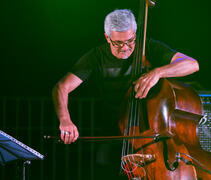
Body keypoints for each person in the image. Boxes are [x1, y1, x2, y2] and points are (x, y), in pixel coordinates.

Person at [52, 9, 198, 170]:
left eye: (130, 41)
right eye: (118, 43)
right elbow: (61, 87)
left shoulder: (147, 47)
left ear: (135, 34)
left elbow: (192, 64)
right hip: (112, 132)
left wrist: (158, 72)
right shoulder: (96, 56)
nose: (125, 48)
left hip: (149, 135)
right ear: (108, 38)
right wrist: (65, 120)